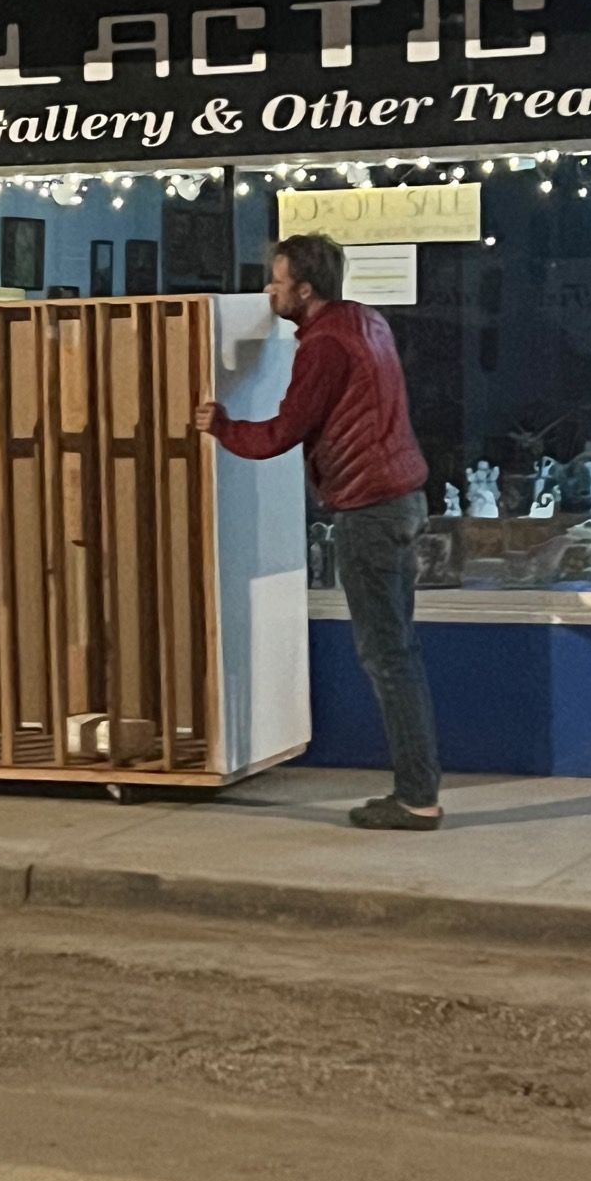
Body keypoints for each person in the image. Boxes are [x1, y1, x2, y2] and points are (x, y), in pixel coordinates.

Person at [194, 234, 442, 831]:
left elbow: (283, 432)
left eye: (277, 281)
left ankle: (416, 798)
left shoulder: (324, 345)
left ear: (305, 289)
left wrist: (220, 425)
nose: (268, 290)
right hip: (403, 498)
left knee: (387, 658)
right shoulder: (368, 323)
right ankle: (418, 789)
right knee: (399, 653)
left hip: (369, 508)